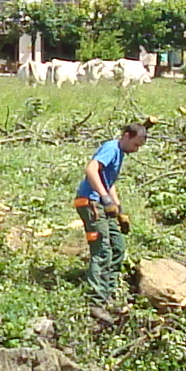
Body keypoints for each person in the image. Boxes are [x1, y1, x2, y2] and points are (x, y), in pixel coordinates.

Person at [76, 120, 150, 303]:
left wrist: (119, 210)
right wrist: (104, 197)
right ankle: (96, 300)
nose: (136, 150)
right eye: (135, 145)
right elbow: (91, 169)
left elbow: (109, 182)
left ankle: (108, 292)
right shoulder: (111, 148)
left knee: (118, 247)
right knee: (102, 250)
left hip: (102, 203)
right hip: (90, 202)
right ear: (126, 136)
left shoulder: (120, 153)